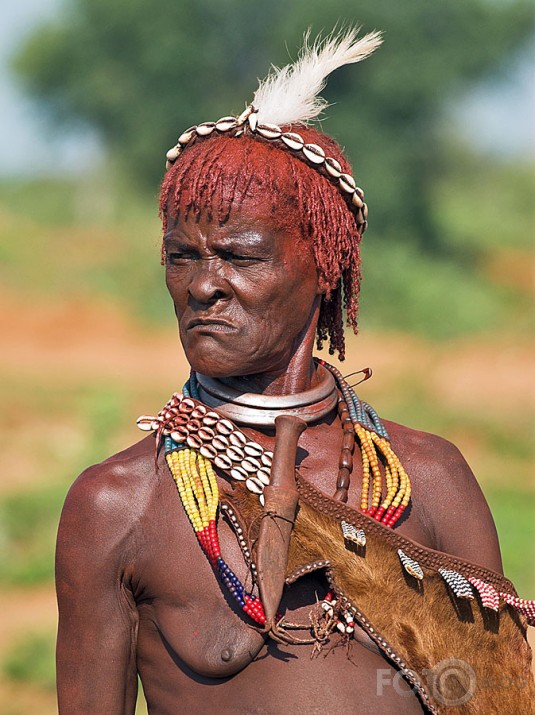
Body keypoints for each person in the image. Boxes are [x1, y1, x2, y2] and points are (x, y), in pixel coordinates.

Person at [55, 29, 535, 714]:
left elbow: (496, 701)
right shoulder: (118, 505)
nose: (202, 285)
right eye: (181, 255)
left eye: (237, 255)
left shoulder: (428, 480)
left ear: (326, 264)